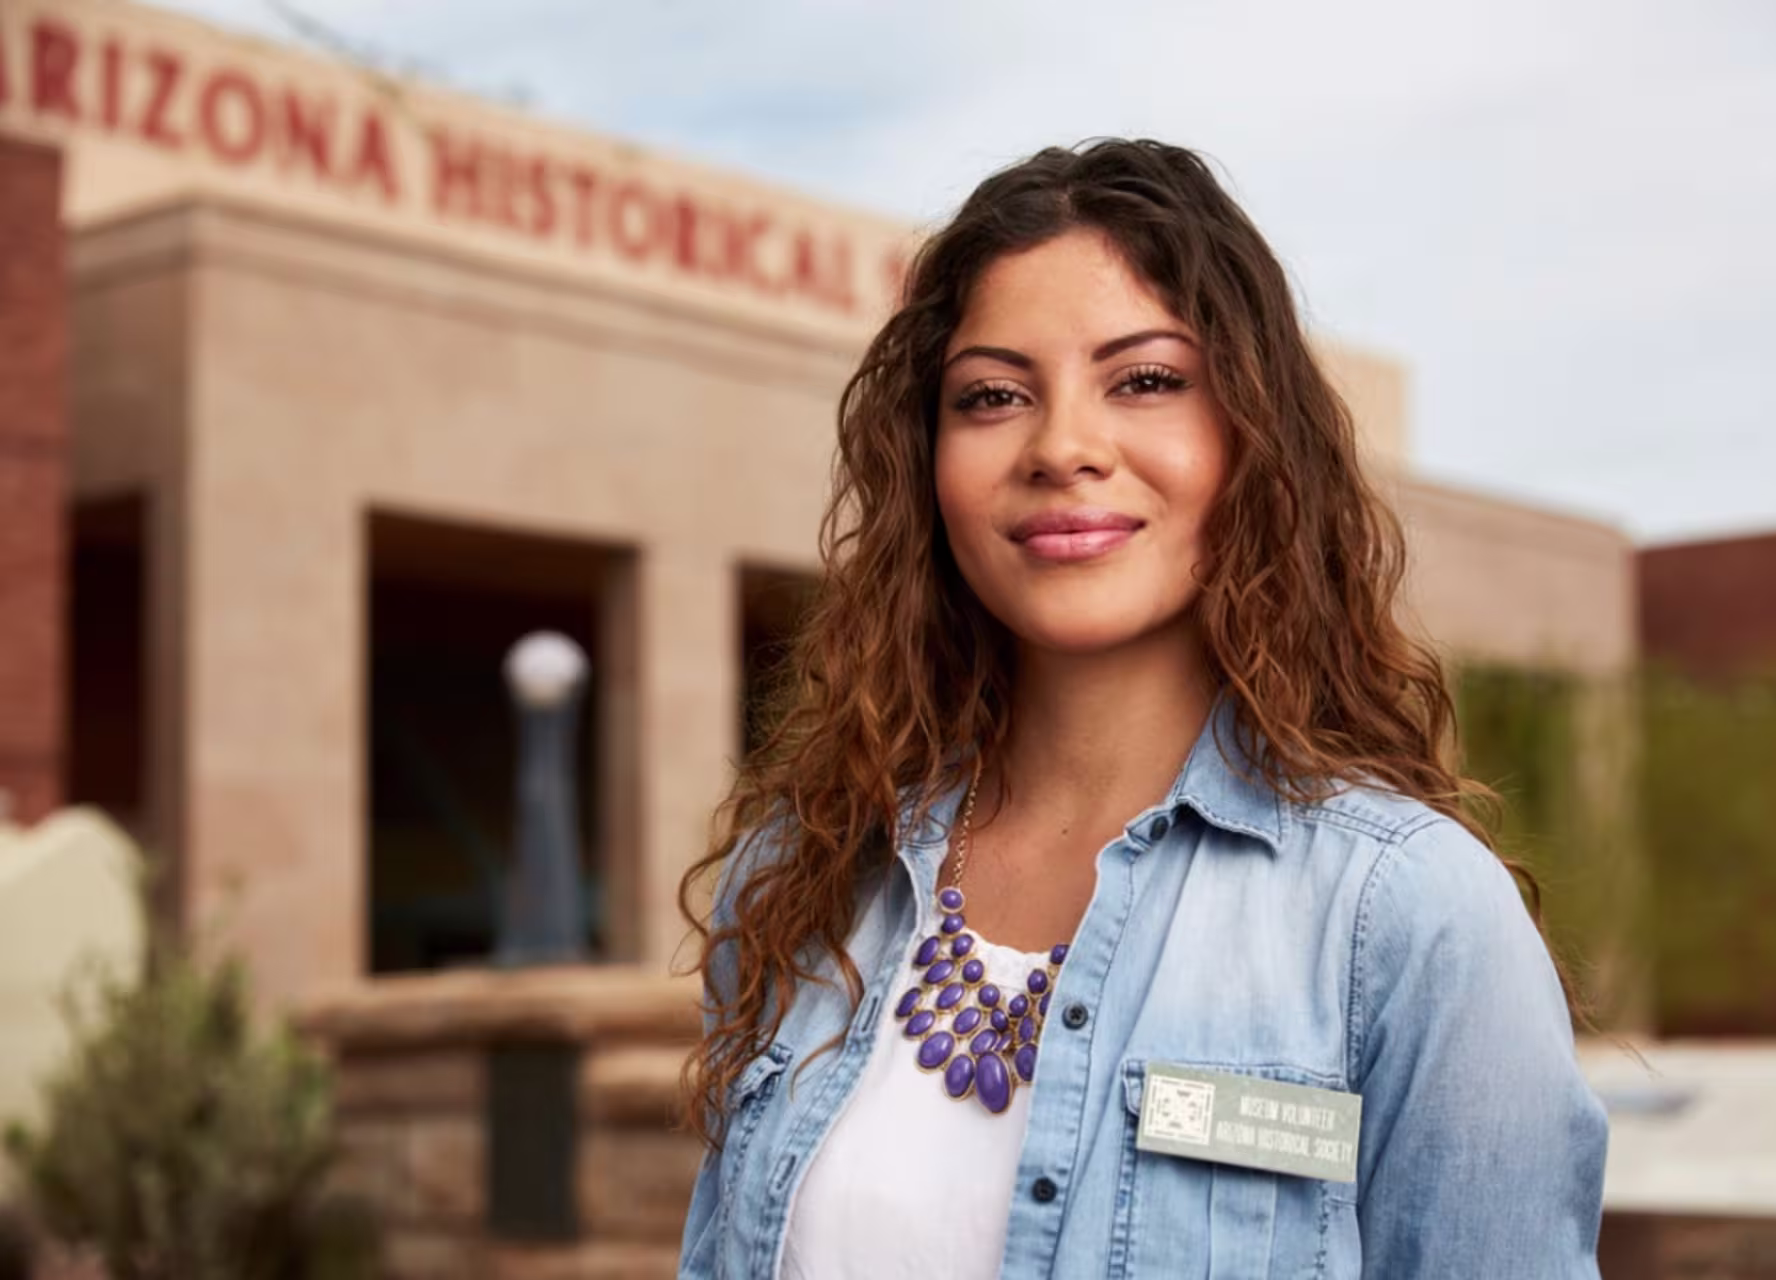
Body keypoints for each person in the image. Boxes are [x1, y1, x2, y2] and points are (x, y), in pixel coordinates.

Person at [675, 137, 1608, 1279]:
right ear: (928, 460)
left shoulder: (1404, 916)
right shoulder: (807, 874)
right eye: (993, 395)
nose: (1062, 446)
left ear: (1253, 437)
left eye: (1147, 380)